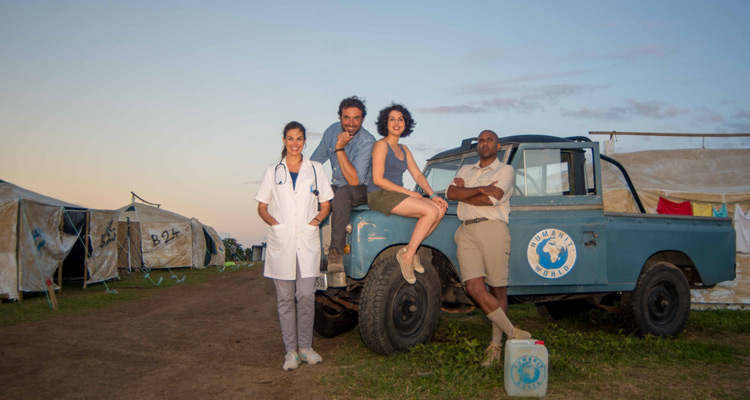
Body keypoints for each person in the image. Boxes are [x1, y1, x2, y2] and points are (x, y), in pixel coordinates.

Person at [445, 130, 531, 367]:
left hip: (493, 229)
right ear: (477, 146)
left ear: (498, 146)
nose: (484, 144)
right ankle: (513, 332)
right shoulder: (465, 170)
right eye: (481, 141)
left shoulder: (506, 170)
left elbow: (491, 201)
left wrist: (467, 193)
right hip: (466, 230)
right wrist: (482, 188)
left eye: (489, 140)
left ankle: (495, 346)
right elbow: (451, 193)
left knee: (498, 289)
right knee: (473, 286)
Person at [255, 121, 334, 371]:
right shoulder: (272, 171)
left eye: (299, 139)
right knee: (285, 298)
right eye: (290, 138)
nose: (294, 143)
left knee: (307, 295)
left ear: (304, 141)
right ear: (283, 141)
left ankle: (306, 347)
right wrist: (276, 224)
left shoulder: (316, 168)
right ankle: (291, 351)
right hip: (283, 240)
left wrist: (315, 221)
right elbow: (261, 207)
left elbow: (326, 203)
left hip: (308, 240)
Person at [367, 103, 447, 284]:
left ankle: (408, 250)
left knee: (439, 209)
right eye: (392, 119)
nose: (396, 122)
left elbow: (418, 174)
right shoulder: (381, 145)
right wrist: (409, 193)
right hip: (380, 194)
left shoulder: (404, 149)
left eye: (400, 119)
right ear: (385, 124)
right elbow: (378, 179)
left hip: (396, 194)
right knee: (430, 212)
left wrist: (433, 195)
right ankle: (409, 256)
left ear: (406, 123)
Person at [311, 96, 376, 273]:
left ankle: (335, 253)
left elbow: (355, 181)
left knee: (342, 194)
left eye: (356, 118)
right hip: (338, 186)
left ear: (363, 119)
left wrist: (340, 148)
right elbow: (314, 162)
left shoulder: (367, 141)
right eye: (347, 117)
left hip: (364, 189)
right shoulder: (331, 131)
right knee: (313, 195)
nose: (351, 123)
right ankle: (309, 248)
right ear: (339, 116)